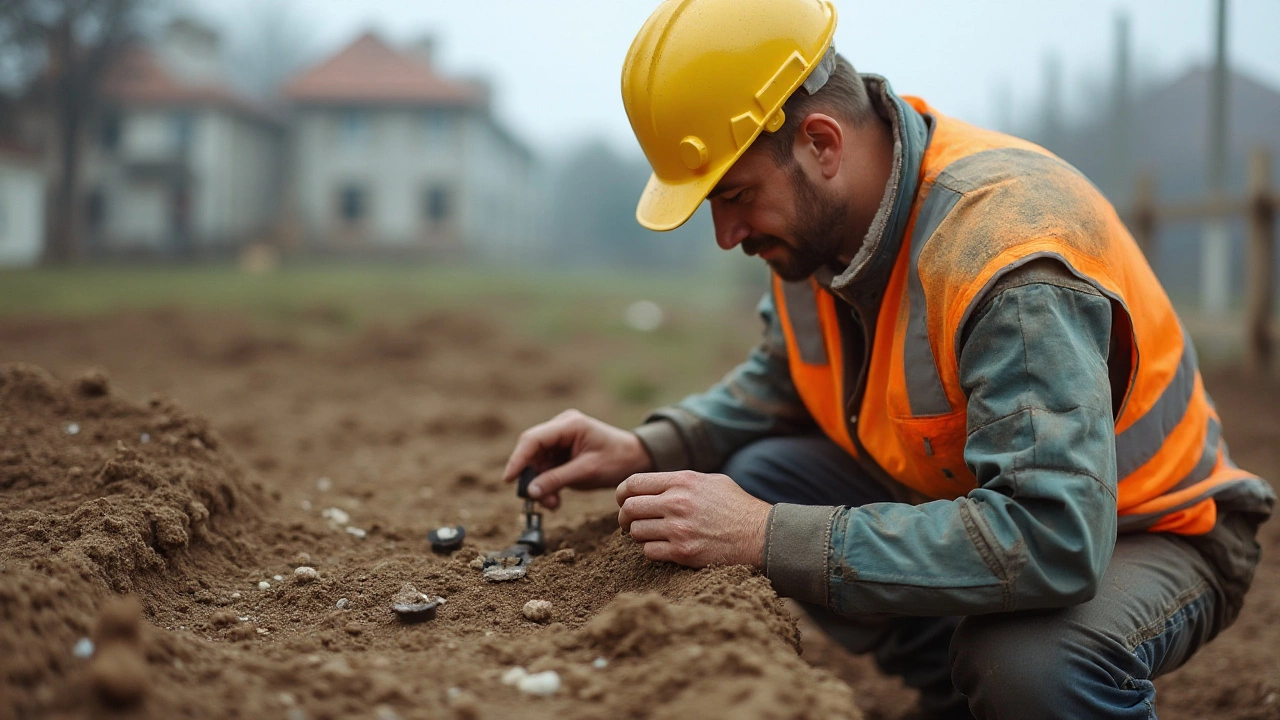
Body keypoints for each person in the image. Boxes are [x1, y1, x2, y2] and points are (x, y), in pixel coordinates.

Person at [502, 1, 1275, 717]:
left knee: (1030, 665)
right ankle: (955, 694)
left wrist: (767, 536)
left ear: (821, 143)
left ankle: (1005, 685)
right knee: (761, 474)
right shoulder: (819, 233)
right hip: (983, 502)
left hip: (1154, 528)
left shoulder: (1005, 258)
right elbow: (784, 376)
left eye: (733, 195)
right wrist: (644, 447)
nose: (726, 235)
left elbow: (1053, 537)